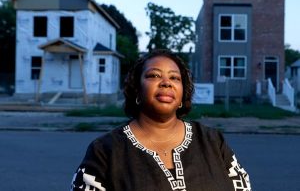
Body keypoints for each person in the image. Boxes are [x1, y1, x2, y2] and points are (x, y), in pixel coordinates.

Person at [70, 49, 251, 191]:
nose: (166, 82)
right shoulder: (105, 152)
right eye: (154, 75)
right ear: (137, 90)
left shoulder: (213, 142)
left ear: (182, 94)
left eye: (174, 77)